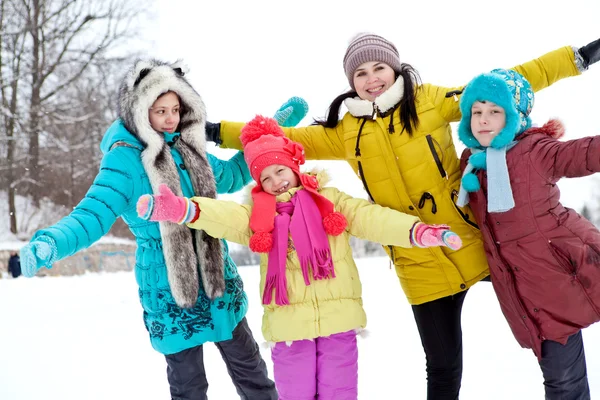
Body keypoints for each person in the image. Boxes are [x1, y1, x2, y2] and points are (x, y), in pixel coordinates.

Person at [203, 33, 600, 398]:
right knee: (442, 367)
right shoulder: (345, 131)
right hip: (417, 259)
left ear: (395, 68)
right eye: (360, 72)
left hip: (475, 243)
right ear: (351, 81)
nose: (371, 78)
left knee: (544, 334)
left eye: (378, 67)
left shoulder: (430, 102)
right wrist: (215, 130)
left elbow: (501, 82)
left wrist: (577, 58)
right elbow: (279, 137)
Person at [18, 59, 293, 400]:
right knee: (188, 385)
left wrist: (268, 136)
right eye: (159, 110)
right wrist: (52, 242)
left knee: (252, 373)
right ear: (138, 109)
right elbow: (93, 213)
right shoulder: (125, 159)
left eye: (176, 109)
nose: (169, 119)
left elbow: (234, 175)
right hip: (167, 284)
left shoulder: (189, 147)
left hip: (217, 276)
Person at [136, 114, 463, 400]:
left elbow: (373, 218)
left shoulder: (329, 200)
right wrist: (184, 208)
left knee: (340, 394)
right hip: (289, 328)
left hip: (339, 320)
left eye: (280, 171)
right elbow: (223, 217)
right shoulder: (256, 215)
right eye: (265, 178)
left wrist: (418, 232)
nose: (276, 182)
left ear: (294, 166)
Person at [456, 68, 599, 400]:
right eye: (476, 112)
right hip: (535, 293)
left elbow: (583, 153)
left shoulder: (534, 150)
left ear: (514, 115)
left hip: (576, 265)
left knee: (564, 383)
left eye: (495, 111)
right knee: (562, 382)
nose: (483, 119)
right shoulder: (471, 167)